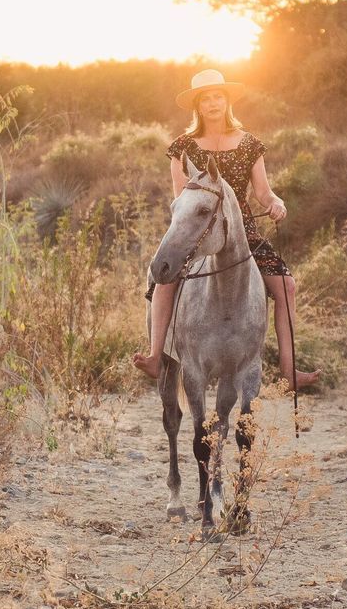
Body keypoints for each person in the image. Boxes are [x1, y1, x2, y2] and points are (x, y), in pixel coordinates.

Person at [131, 68, 322, 390]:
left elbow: (263, 191)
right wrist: (195, 226)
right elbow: (183, 197)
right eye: (206, 99)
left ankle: (290, 370)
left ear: (227, 100)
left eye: (218, 96)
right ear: (198, 106)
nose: (213, 103)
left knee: (286, 286)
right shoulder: (183, 147)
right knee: (166, 275)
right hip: (195, 227)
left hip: (242, 231)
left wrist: (276, 203)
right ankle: (154, 357)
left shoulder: (249, 144)